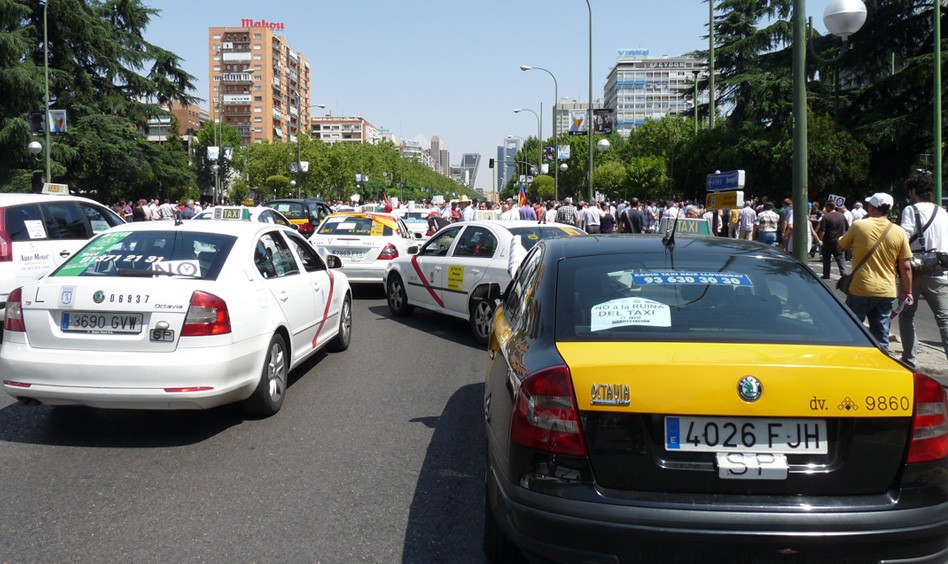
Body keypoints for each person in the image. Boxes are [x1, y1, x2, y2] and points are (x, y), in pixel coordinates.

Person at [836, 193, 913, 352]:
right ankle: (881, 363)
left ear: (871, 208)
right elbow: (906, 265)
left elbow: (840, 247)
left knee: (851, 331)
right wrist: (907, 291)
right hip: (886, 291)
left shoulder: (859, 226)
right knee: (881, 335)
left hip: (861, 288)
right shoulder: (899, 231)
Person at [898, 174, 948, 367]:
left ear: (913, 191)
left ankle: (909, 360)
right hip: (941, 270)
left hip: (915, 269)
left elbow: (903, 236)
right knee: (944, 320)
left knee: (907, 313)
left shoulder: (911, 210)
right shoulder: (943, 212)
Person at [817, 200, 848, 279]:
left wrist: (820, 240)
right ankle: (844, 274)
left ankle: (826, 274)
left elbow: (822, 231)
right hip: (840, 241)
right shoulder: (842, 216)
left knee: (826, 259)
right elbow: (847, 228)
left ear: (828, 207)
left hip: (828, 241)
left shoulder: (826, 217)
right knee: (840, 258)